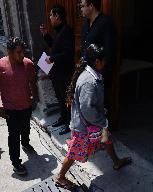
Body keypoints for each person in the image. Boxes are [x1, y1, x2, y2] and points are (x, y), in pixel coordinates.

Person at [54, 44, 132, 189]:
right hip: (85, 127)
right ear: (97, 61)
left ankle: (116, 162)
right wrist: (102, 121)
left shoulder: (91, 74)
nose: (105, 62)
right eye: (104, 60)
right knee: (74, 153)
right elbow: (87, 110)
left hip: (93, 123)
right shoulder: (88, 81)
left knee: (107, 140)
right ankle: (60, 176)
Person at [0, 37, 38, 176]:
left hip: (26, 106)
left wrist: (34, 98)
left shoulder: (28, 64)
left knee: (26, 128)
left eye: (23, 52)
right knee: (14, 135)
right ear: (9, 51)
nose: (22, 55)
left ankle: (26, 144)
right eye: (18, 52)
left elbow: (33, 82)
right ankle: (16, 162)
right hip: (11, 110)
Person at [80, 0, 117, 128]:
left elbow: (109, 51)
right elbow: (84, 48)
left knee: (102, 105)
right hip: (86, 72)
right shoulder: (86, 24)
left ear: (91, 6)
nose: (81, 8)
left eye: (83, 6)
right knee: (89, 104)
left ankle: (105, 136)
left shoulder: (106, 22)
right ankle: (93, 134)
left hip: (100, 73)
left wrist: (102, 73)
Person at [40, 4, 75, 135]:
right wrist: (46, 35)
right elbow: (56, 47)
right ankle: (63, 118)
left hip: (64, 73)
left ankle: (70, 123)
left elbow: (68, 53)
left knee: (66, 99)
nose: (49, 18)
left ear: (57, 16)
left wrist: (52, 58)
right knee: (60, 98)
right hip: (57, 73)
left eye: (51, 15)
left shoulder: (67, 31)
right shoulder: (59, 30)